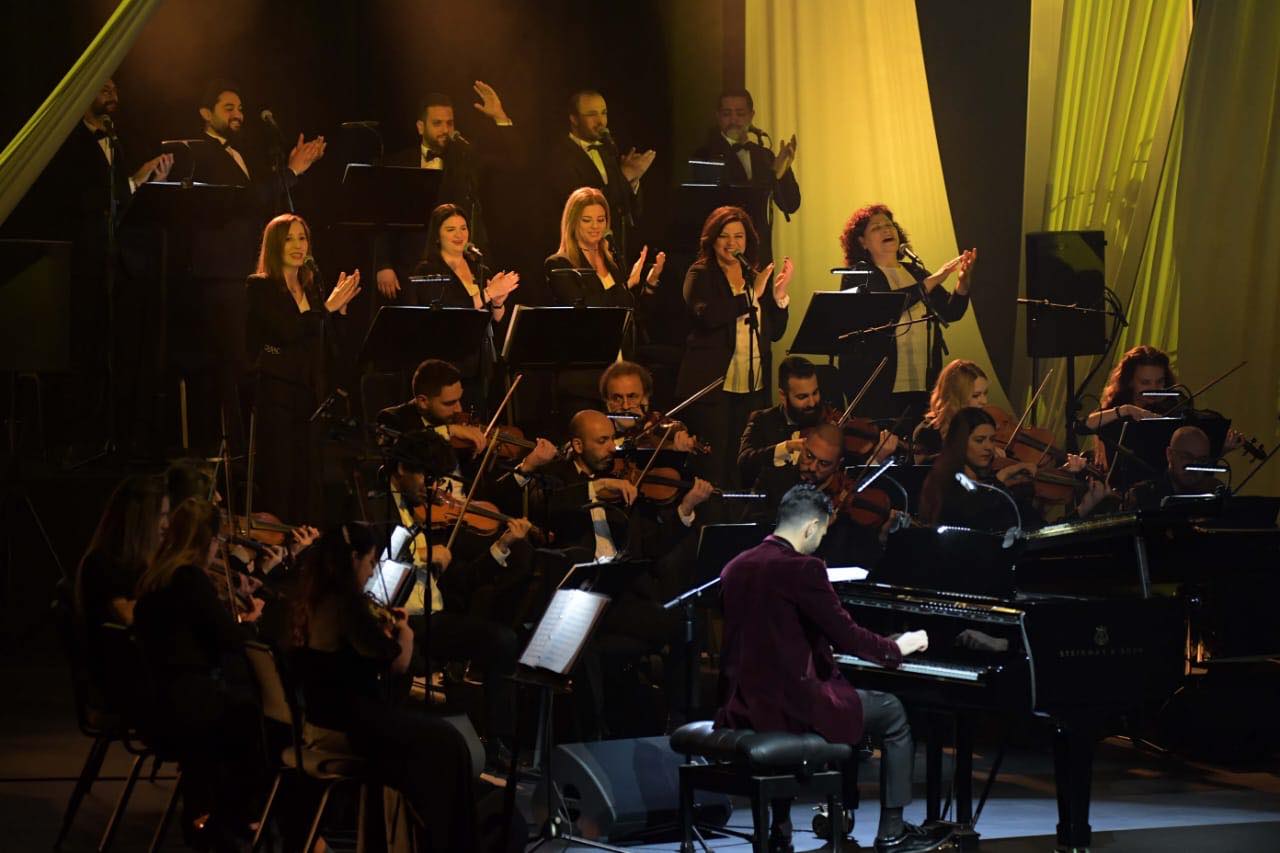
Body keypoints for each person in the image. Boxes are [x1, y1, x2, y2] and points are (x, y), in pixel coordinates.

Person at [716, 484, 941, 853]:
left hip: (741, 705)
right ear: (810, 527)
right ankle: (892, 831)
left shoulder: (735, 565)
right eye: (822, 532)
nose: (821, 540)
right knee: (892, 712)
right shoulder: (803, 568)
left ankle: (780, 827)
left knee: (845, 695)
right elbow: (849, 636)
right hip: (790, 705)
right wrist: (897, 647)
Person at [290, 522, 480, 851]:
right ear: (353, 559)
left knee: (441, 740)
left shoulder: (314, 599)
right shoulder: (348, 605)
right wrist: (404, 632)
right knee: (448, 743)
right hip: (352, 727)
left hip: (320, 722)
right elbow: (397, 663)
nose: (371, 572)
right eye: (370, 562)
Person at [132, 498, 265, 848]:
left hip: (158, 704)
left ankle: (225, 816)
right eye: (218, 540)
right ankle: (236, 816)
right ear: (208, 541)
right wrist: (251, 620)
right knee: (259, 718)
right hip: (189, 708)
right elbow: (228, 638)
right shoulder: (189, 579)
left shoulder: (154, 578)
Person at [245, 214, 361, 523]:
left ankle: (307, 541)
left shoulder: (312, 288)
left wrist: (339, 313)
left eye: (302, 238)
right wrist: (326, 310)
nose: (298, 245)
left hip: (311, 397)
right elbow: (287, 330)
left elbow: (328, 344)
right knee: (280, 478)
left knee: (309, 482)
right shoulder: (260, 286)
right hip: (277, 395)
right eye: (289, 239)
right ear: (275, 245)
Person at [675, 205, 792, 488]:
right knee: (715, 466)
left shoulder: (754, 276)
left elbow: (775, 333)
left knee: (744, 465)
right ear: (712, 240)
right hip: (715, 388)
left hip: (752, 387)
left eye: (738, 236)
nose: (732, 243)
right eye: (724, 236)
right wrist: (751, 296)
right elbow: (707, 316)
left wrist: (779, 297)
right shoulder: (700, 273)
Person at [374, 83, 520, 300]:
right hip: (410, 266)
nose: (445, 129)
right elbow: (382, 216)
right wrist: (383, 264)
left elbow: (514, 161)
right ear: (420, 127)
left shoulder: (465, 159)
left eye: (449, 123)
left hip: (459, 265)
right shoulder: (398, 163)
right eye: (437, 123)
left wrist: (500, 117)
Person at [837, 204, 975, 425]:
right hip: (880, 384)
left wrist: (963, 284)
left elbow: (951, 312)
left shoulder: (915, 271)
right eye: (876, 228)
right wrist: (933, 279)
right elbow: (885, 308)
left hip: (923, 380)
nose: (886, 230)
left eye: (889, 225)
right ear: (862, 242)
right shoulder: (858, 274)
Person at [544, 186, 666, 415]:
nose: (595, 226)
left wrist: (648, 284)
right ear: (573, 222)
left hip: (620, 373)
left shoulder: (612, 261)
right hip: (586, 379)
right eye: (587, 220)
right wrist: (625, 285)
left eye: (601, 220)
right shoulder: (559, 264)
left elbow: (629, 312)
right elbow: (589, 309)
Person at [402, 204, 520, 403]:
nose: (459, 234)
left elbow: (495, 320)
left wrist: (498, 302)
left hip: (480, 362)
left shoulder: (479, 268)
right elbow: (450, 311)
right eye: (451, 229)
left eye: (463, 228)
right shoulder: (427, 270)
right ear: (437, 236)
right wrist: (489, 293)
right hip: (449, 362)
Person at [690, 87, 799, 264]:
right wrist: (772, 175)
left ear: (751, 115)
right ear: (718, 116)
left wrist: (783, 173)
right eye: (727, 114)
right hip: (724, 260)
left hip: (761, 259)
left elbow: (792, 204)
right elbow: (726, 205)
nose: (734, 120)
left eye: (740, 113)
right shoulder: (705, 155)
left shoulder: (764, 155)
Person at [546, 89, 655, 265]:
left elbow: (629, 209)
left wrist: (634, 180)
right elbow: (584, 206)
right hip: (581, 254)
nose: (600, 121)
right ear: (574, 119)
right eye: (592, 114)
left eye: (604, 113)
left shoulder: (608, 150)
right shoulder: (561, 156)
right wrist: (625, 176)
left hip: (613, 251)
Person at [599, 360, 703, 452]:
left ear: (646, 397)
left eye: (632, 396)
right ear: (606, 400)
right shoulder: (597, 427)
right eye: (617, 398)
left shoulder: (655, 421)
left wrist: (672, 446)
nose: (625, 406)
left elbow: (676, 428)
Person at [1124, 426, 1224, 511]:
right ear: (1169, 454)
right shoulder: (1144, 495)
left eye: (1202, 460)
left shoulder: (1214, 491)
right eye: (1186, 457)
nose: (1194, 465)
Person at [912, 359, 991, 463]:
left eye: (985, 393)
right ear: (956, 397)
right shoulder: (927, 432)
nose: (984, 401)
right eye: (976, 396)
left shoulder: (981, 424)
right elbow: (923, 468)